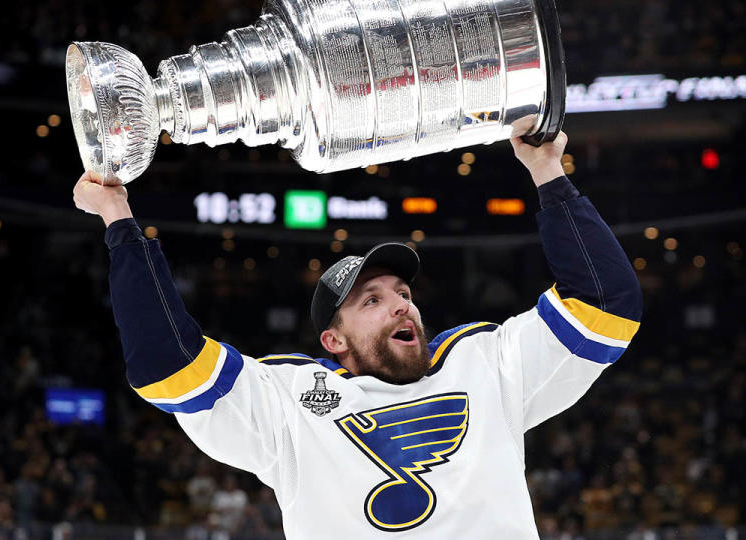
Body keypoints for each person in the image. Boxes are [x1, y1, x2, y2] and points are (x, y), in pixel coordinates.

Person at [72, 132, 642, 538]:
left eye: (403, 294)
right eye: (372, 300)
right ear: (333, 342)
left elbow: (606, 305)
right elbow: (167, 363)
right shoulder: (288, 400)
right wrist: (119, 220)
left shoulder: (486, 362)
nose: (401, 305)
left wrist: (547, 171)